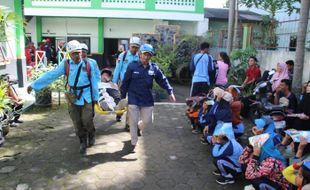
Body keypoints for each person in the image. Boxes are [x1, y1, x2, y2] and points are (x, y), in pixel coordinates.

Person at [27, 40, 99, 155]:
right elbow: (51, 75)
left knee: (87, 120)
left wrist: (96, 98)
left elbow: (94, 82)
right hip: (73, 97)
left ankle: (91, 133)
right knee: (77, 122)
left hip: (87, 97)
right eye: (75, 53)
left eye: (79, 53)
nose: (78, 56)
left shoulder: (88, 64)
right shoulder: (66, 64)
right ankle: (82, 141)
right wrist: (34, 85)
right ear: (69, 54)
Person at [120, 44, 176, 152]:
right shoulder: (132, 66)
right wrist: (122, 97)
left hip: (147, 99)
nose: (146, 57)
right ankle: (133, 142)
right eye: (144, 55)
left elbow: (162, 80)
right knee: (133, 121)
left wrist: (170, 91)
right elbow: (125, 82)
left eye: (149, 55)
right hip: (133, 98)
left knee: (148, 121)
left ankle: (139, 128)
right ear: (140, 54)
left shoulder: (154, 68)